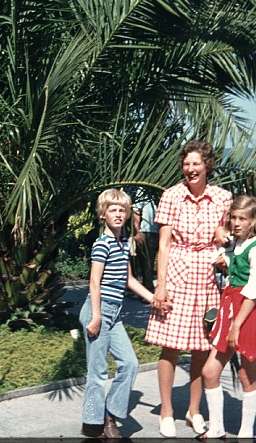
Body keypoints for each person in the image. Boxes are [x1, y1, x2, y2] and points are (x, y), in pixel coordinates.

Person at [145, 140, 232, 437]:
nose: (191, 169)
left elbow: (227, 236)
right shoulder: (171, 196)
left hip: (207, 279)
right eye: (186, 164)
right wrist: (161, 286)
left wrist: (223, 252)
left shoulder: (222, 197)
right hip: (177, 275)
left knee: (201, 347)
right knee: (169, 345)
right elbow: (164, 245)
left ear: (207, 165)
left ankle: (194, 410)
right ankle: (166, 412)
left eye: (196, 163)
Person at [79, 188, 155, 438]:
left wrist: (153, 299)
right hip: (98, 310)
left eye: (123, 210)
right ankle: (93, 423)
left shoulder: (124, 243)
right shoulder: (102, 244)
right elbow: (94, 282)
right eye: (113, 210)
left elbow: (129, 280)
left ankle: (109, 413)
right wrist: (96, 316)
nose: (118, 214)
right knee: (98, 371)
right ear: (103, 214)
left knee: (130, 363)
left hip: (115, 314)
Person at [199, 196, 256, 439]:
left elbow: (254, 290)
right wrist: (226, 259)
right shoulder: (237, 243)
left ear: (254, 221)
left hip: (249, 313)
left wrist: (236, 326)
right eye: (233, 218)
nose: (237, 223)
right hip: (230, 307)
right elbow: (229, 256)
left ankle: (246, 431)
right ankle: (217, 427)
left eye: (243, 218)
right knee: (210, 372)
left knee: (245, 374)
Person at [132, 194, 159, 293]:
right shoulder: (143, 192)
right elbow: (136, 211)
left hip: (160, 231)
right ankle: (147, 291)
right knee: (147, 262)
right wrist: (137, 232)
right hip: (147, 231)